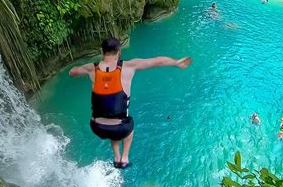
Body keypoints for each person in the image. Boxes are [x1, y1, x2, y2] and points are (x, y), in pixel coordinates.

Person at [69, 37, 192, 169]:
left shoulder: (91, 68)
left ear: (102, 51)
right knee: (126, 126)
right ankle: (124, 158)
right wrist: (176, 62)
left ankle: (116, 157)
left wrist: (79, 69)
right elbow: (158, 61)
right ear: (119, 52)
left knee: (112, 123)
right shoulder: (129, 66)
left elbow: (73, 72)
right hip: (120, 129)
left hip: (97, 127)